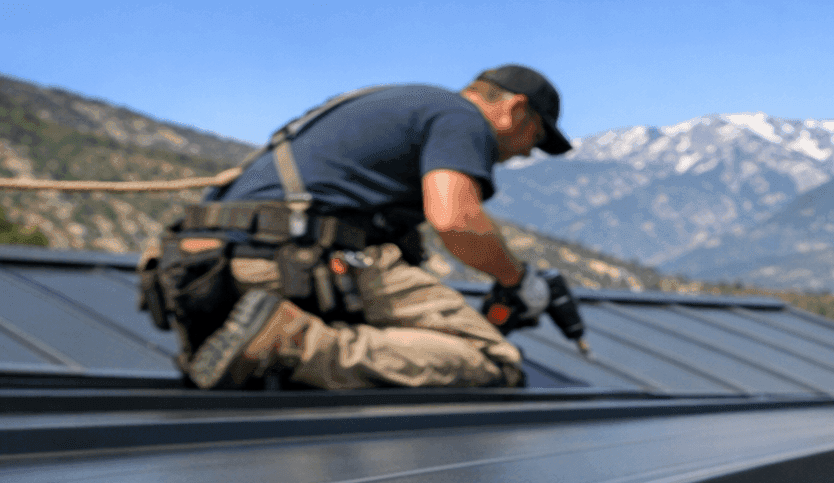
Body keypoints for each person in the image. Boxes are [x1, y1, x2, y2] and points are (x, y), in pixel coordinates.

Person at [140, 65, 572, 390]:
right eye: (534, 140)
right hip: (291, 258)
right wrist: (517, 279)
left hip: (198, 273)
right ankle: (292, 341)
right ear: (515, 111)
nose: (522, 155)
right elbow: (455, 219)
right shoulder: (461, 117)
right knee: (493, 358)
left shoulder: (385, 103)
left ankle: (263, 341)